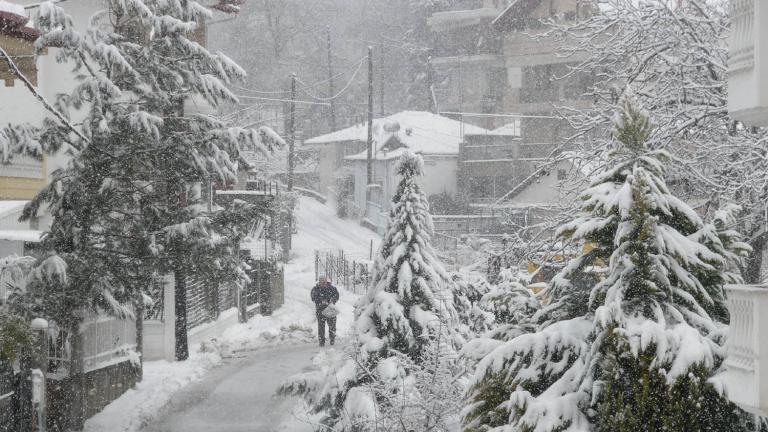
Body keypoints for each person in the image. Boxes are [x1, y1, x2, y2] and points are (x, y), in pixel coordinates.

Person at [311, 276, 339, 347]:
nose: (323, 283)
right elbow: (313, 297)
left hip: (330, 309)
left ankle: (332, 339)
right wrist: (321, 301)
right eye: (321, 282)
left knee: (332, 326)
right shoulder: (315, 289)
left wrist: (332, 300)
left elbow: (337, 295)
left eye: (324, 281)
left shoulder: (332, 288)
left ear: (326, 281)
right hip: (320, 310)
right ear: (319, 282)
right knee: (321, 327)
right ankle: (321, 341)